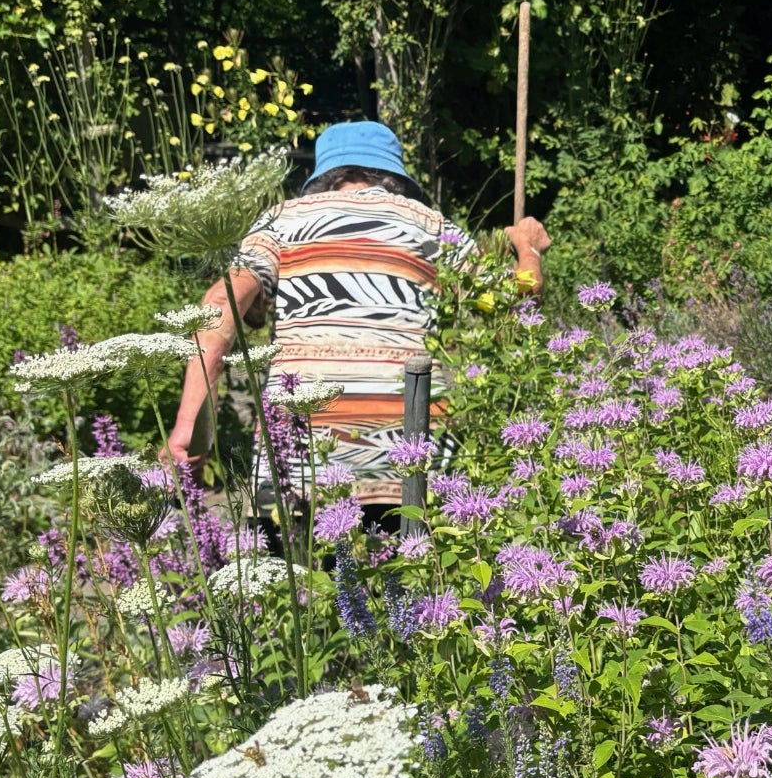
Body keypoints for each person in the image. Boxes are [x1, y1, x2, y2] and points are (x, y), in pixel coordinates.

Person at [166, 120, 549, 517]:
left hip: (297, 466)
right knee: (420, 575)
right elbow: (517, 298)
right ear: (394, 178)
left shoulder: (282, 221)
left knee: (296, 577)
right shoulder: (432, 225)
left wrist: (189, 430)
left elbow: (219, 307)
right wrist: (528, 246)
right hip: (410, 461)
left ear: (326, 176)